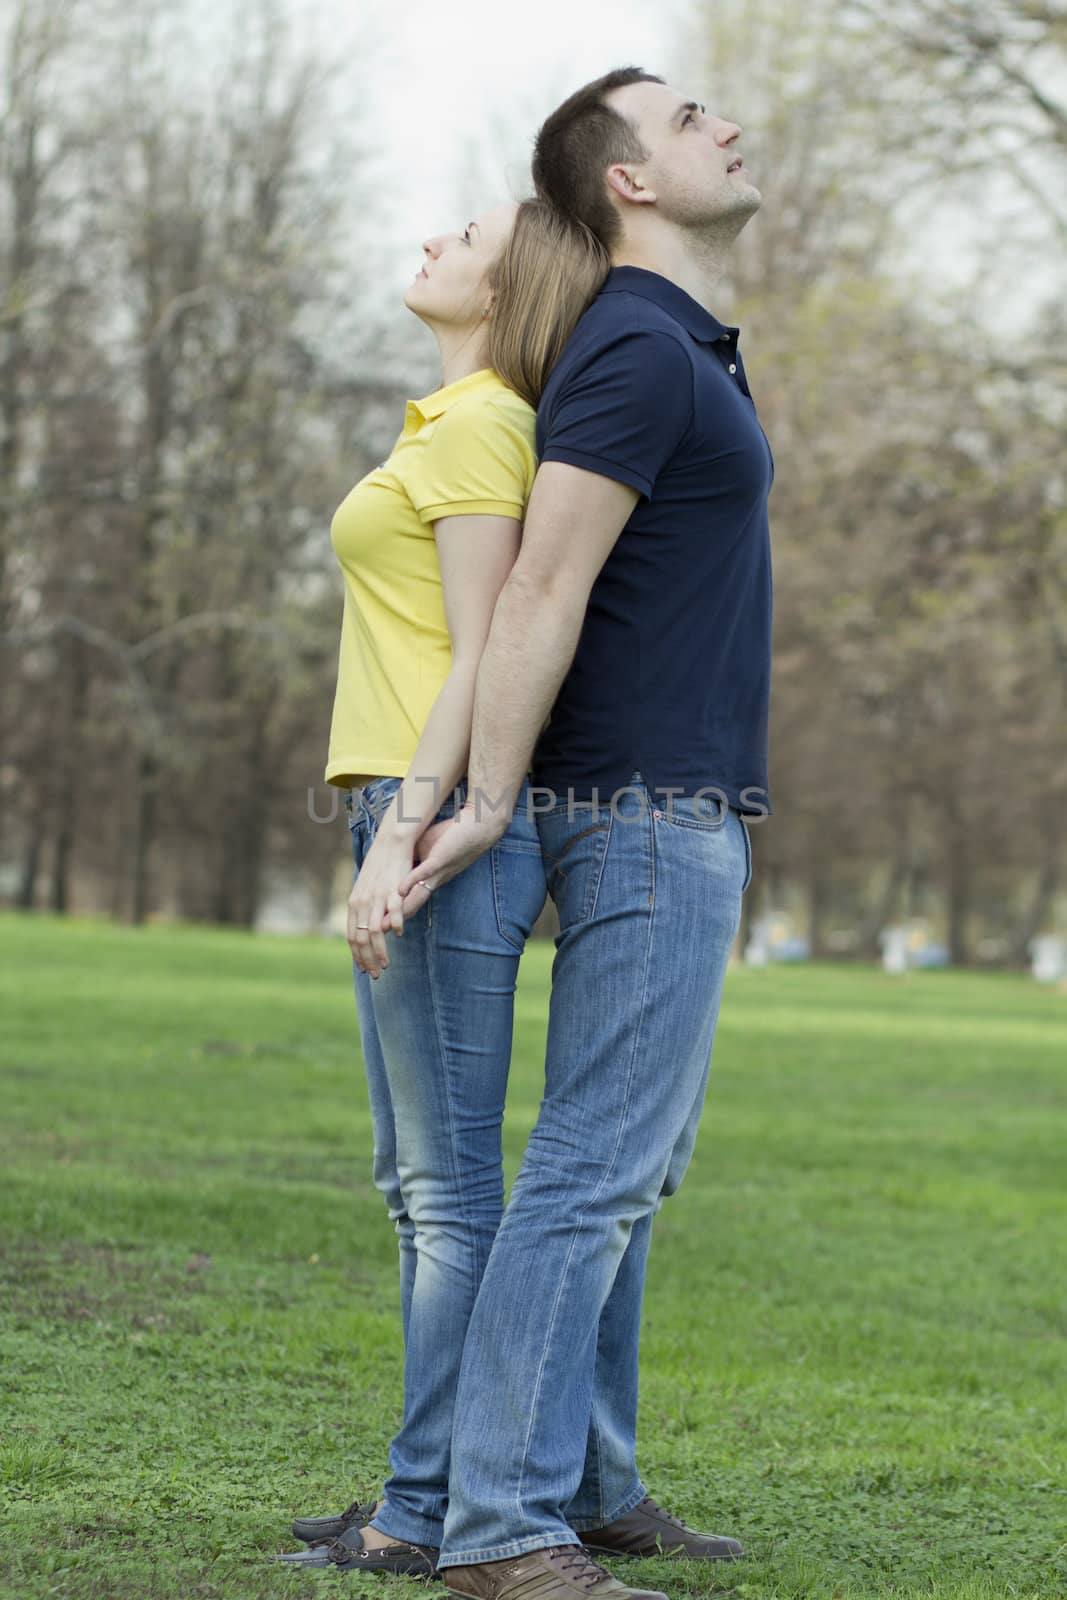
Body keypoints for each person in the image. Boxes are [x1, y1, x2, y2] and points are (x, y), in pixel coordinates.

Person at [394, 67, 774, 1600]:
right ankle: (500, 1530)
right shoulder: (633, 343)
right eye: (689, 121)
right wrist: (488, 797)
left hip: (674, 805)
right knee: (589, 1177)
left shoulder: (679, 343)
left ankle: (591, 1487)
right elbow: (542, 590)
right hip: (636, 811)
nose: (726, 124)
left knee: (628, 1172)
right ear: (627, 183)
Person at [275, 199, 610, 1579]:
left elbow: (487, 654)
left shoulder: (482, 426)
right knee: (420, 1189)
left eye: (462, 229)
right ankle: (422, 1493)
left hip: (429, 824)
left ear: (510, 279)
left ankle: (423, 1511)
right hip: (393, 805)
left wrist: (403, 834)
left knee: (446, 1195)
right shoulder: (447, 422)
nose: (429, 235)